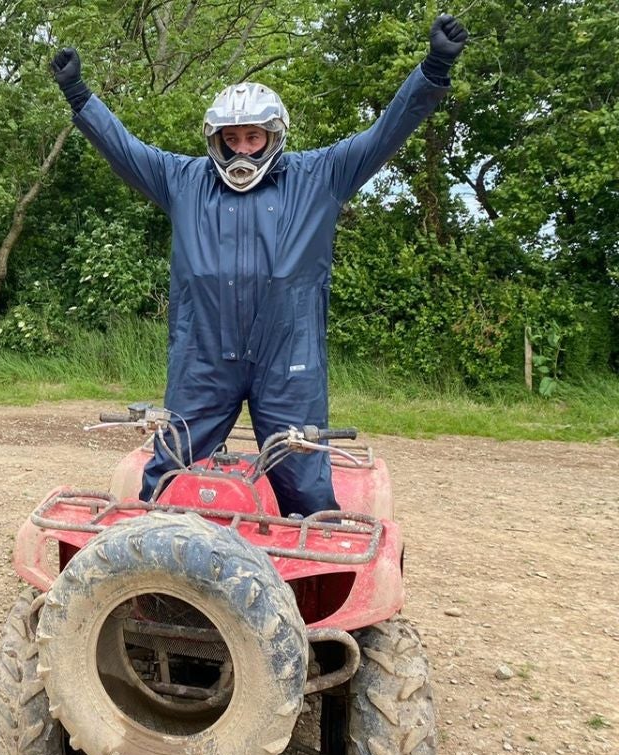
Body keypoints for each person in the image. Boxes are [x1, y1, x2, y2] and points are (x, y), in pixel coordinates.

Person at [51, 15, 468, 514]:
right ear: (216, 139)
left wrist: (434, 67)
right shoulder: (183, 181)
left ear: (274, 136)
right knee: (167, 477)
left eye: (253, 138)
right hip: (203, 359)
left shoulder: (322, 176)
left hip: (288, 361)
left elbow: (384, 134)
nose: (242, 150)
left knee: (305, 485)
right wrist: (79, 95)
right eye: (232, 139)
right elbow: (125, 151)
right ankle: (149, 578)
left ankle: (312, 584)